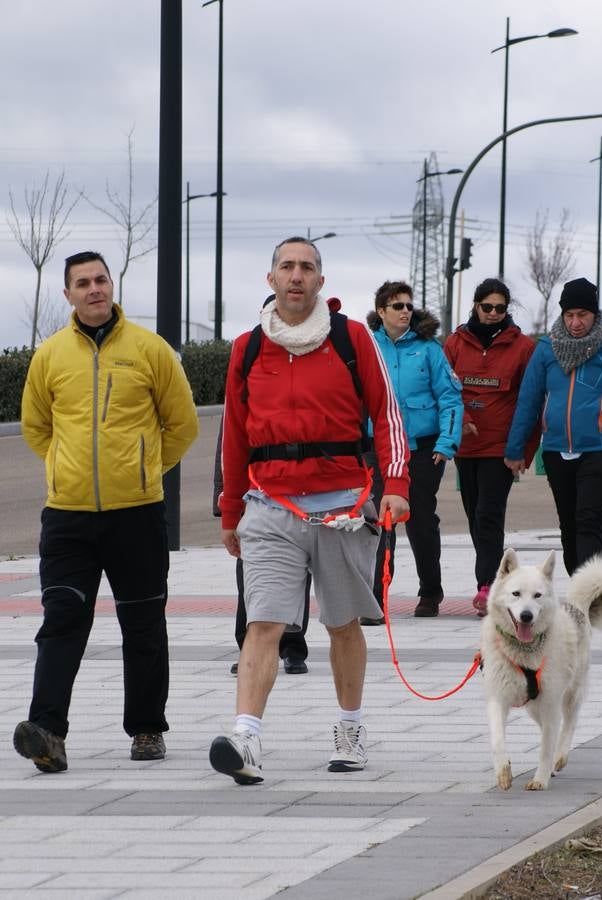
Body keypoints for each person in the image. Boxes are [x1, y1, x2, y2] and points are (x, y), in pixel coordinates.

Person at [212, 236, 410, 785]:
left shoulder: (353, 341)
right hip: (269, 506)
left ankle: (350, 728)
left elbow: (387, 415)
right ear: (270, 279)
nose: (296, 276)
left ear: (321, 282)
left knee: (343, 624)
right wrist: (230, 512)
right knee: (264, 623)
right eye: (286, 267)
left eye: (307, 268)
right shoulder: (248, 349)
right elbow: (234, 437)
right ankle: (246, 737)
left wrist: (396, 485)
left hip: (343, 505)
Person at [13, 250, 200, 773]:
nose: (94, 289)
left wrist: (142, 470)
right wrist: (64, 467)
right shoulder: (49, 356)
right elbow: (36, 427)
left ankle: (146, 729)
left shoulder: (149, 350)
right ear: (67, 293)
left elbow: (182, 424)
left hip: (136, 514)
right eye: (82, 283)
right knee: (61, 620)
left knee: (142, 623)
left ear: (112, 285)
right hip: (67, 518)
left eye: (101, 279)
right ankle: (47, 730)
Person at [505, 277, 602, 576]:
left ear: (595, 315)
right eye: (569, 315)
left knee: (588, 520)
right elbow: (529, 401)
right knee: (568, 523)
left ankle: (586, 592)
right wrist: (515, 448)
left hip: (597, 450)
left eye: (582, 315)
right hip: (556, 450)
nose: (575, 322)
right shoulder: (546, 349)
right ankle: (577, 585)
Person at [364, 281, 463, 622]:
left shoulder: (429, 348)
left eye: (408, 305)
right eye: (397, 306)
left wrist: (446, 443)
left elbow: (450, 396)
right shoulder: (368, 347)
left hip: (423, 450)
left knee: (420, 520)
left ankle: (430, 593)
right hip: (379, 449)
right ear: (381, 312)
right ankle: (374, 599)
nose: (405, 311)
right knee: (378, 519)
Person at [443, 277, 537, 616]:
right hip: (466, 447)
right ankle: (494, 577)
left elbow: (532, 400)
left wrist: (523, 451)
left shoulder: (523, 347)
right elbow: (446, 388)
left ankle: (488, 586)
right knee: (474, 516)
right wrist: (461, 420)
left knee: (488, 515)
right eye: (487, 307)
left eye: (500, 308)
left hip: (501, 449)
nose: (494, 313)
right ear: (475, 306)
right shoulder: (455, 344)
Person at [213, 400, 310, 676]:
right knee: (249, 574)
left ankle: (293, 647)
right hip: (252, 495)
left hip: (296, 490)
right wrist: (224, 502)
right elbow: (227, 447)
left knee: (298, 570)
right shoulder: (246, 371)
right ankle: (248, 647)